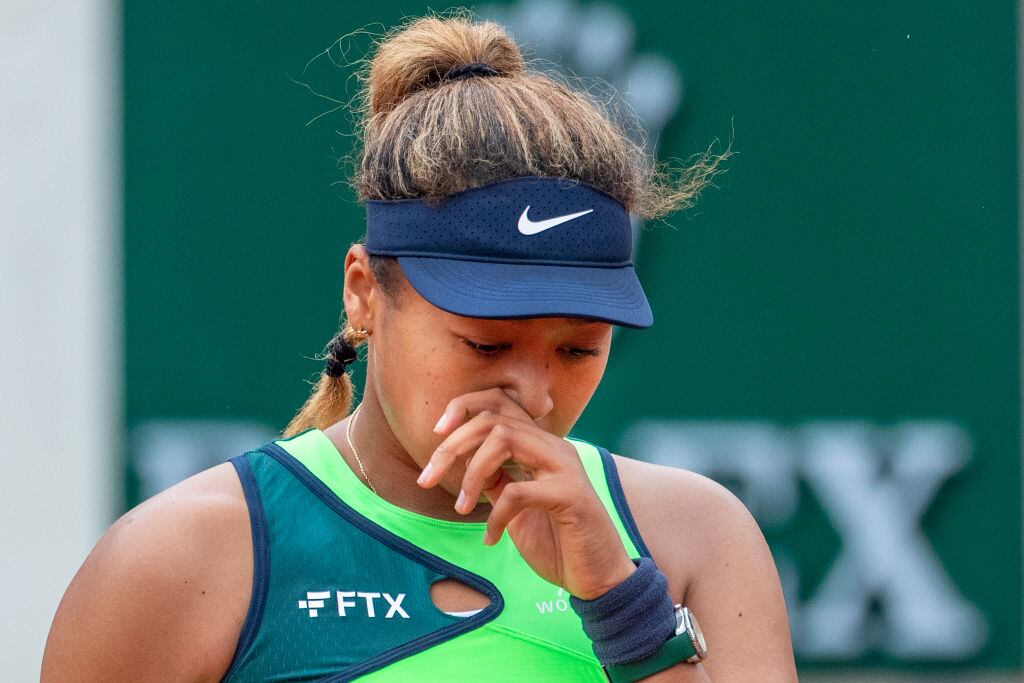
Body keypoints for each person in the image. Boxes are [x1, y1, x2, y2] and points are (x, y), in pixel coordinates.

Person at [42, 13, 796, 682]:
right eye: (486, 343)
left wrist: (618, 598)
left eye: (577, 351)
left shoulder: (694, 536)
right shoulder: (181, 559)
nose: (534, 395)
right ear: (364, 294)